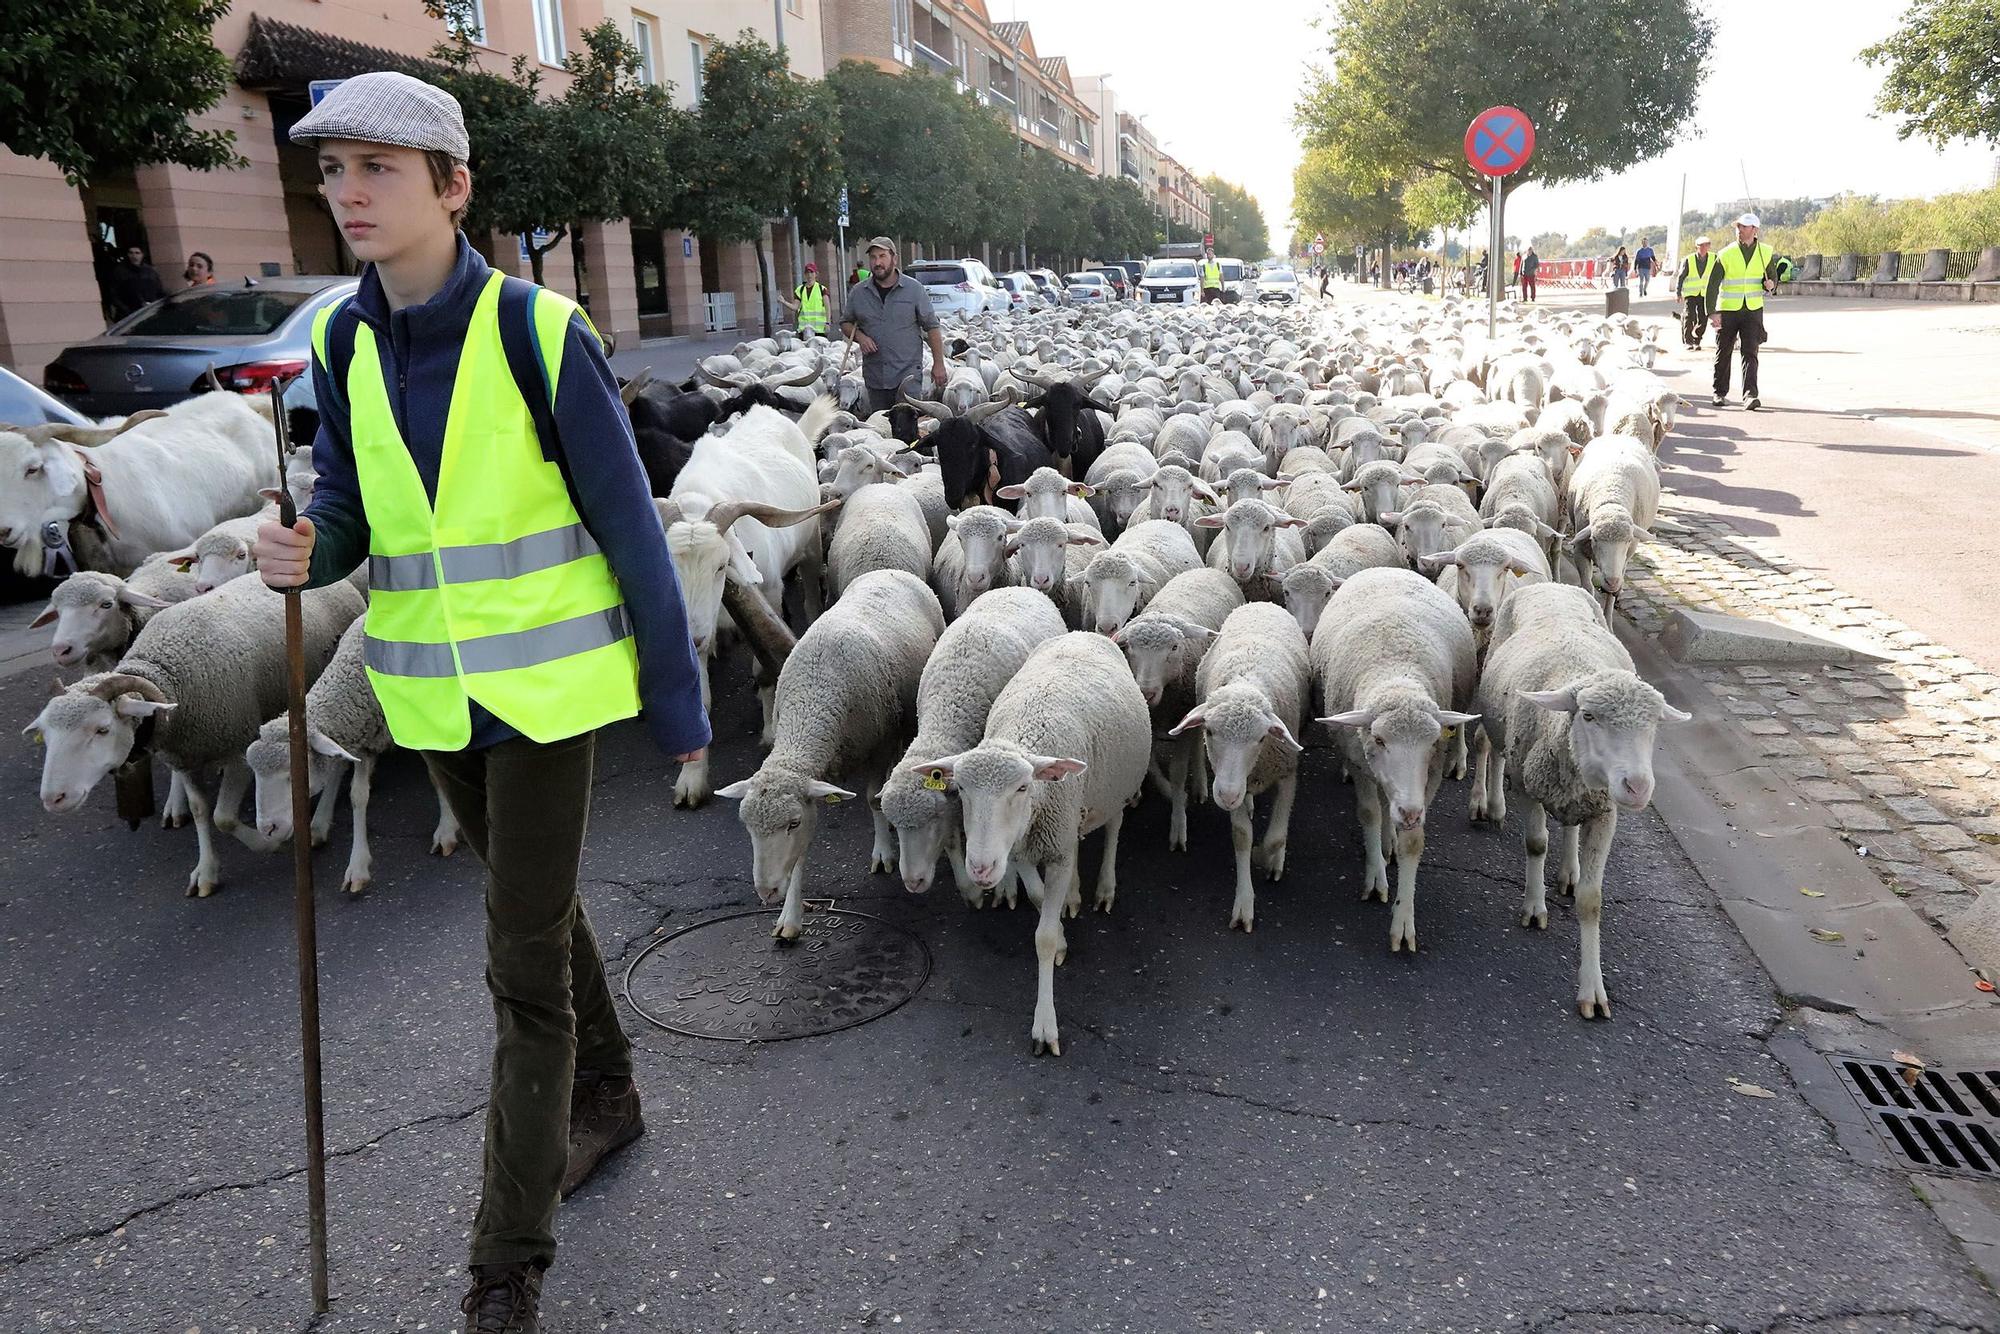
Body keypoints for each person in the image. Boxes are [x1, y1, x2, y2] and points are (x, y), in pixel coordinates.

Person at [251, 71, 708, 1334]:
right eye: (333, 170)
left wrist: (677, 701)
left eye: (377, 170)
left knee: (518, 969)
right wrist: (306, 551)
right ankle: (610, 1091)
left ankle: (507, 1259)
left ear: (452, 187)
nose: (346, 192)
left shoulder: (540, 333)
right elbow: (350, 508)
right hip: (427, 700)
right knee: (537, 912)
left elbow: (632, 531)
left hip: (550, 699)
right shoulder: (339, 343)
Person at [840, 236, 949, 415]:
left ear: (894, 259)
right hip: (875, 378)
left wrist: (939, 364)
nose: (877, 262)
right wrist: (860, 336)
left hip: (907, 376)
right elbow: (845, 322)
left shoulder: (914, 290)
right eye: (873, 257)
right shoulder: (859, 293)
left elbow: (932, 327)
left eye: (882, 256)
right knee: (880, 429)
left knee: (907, 429)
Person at [1708, 211, 1779, 410]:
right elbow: (1713, 285)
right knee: (1724, 352)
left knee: (1751, 352)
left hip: (1753, 309)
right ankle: (1719, 393)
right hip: (1728, 309)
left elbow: (1772, 280)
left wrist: (1771, 284)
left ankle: (1750, 395)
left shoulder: (1765, 252)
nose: (1739, 230)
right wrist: (1712, 312)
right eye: (1738, 226)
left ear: (1754, 230)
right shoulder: (1726, 253)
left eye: (1744, 227)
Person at [1675, 235, 1715, 349]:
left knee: (1703, 318)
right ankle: (1688, 341)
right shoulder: (1689, 259)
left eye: (1706, 245)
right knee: (1689, 316)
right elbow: (1681, 277)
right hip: (1690, 293)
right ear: (1696, 247)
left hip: (1705, 294)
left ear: (1709, 246)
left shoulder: (1714, 258)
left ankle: (1697, 339)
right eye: (1701, 246)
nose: (1703, 248)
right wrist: (1678, 293)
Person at [105, 244, 165, 320]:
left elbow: (159, 291)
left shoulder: (150, 271)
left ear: (142, 255)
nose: (134, 256)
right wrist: (127, 310)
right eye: (131, 253)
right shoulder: (120, 272)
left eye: (137, 253)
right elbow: (114, 294)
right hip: (128, 315)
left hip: (150, 312)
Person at [777, 261, 830, 336]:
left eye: (812, 272)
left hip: (819, 330)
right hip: (804, 329)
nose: (809, 275)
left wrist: (828, 323)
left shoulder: (822, 289)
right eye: (807, 273)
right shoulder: (800, 290)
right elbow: (795, 307)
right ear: (805, 274)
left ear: (816, 274)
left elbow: (828, 308)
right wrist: (784, 302)